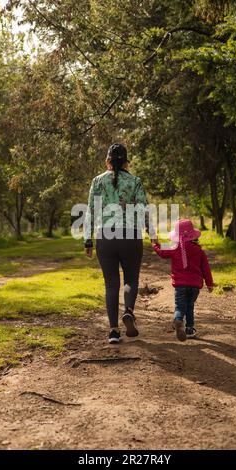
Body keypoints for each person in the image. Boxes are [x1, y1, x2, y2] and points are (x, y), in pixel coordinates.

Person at [84, 143, 156, 344]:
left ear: (108, 161)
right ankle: (129, 312)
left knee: (111, 284)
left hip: (105, 237)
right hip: (130, 236)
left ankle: (114, 331)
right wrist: (152, 232)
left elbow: (90, 210)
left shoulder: (98, 182)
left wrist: (87, 239)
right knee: (131, 279)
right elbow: (144, 209)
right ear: (126, 162)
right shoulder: (135, 181)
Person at [152, 219, 213, 341]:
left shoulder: (174, 247)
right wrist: (209, 284)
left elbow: (162, 253)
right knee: (190, 306)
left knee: (180, 306)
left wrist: (155, 244)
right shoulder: (199, 250)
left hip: (180, 285)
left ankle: (178, 320)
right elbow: (206, 268)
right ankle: (189, 329)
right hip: (195, 285)